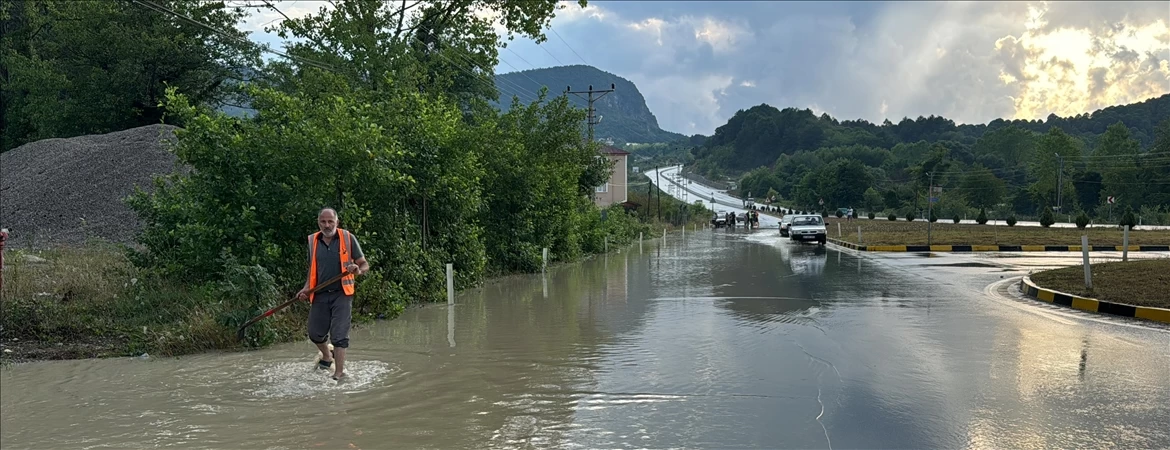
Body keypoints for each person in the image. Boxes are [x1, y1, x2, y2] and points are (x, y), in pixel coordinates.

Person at [296, 208, 370, 381]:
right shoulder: (312, 240)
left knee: (339, 335)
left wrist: (357, 270)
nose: (327, 225)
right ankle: (327, 356)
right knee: (315, 333)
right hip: (320, 294)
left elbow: (364, 264)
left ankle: (339, 373)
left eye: (330, 221)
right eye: (323, 221)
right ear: (318, 222)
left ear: (337, 222)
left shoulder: (347, 238)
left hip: (342, 294)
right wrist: (306, 288)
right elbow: (312, 268)